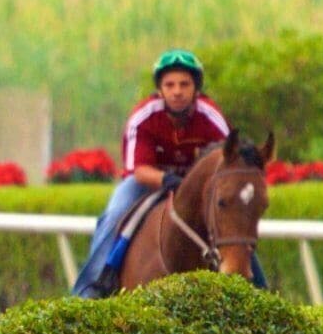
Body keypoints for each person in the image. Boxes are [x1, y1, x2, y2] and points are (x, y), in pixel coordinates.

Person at [74, 50, 237, 298]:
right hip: (148, 181)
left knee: (234, 218)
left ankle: (255, 288)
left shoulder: (211, 116)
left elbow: (229, 161)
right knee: (114, 214)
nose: (177, 91)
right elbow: (139, 170)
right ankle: (90, 289)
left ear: (196, 89)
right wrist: (167, 179)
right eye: (169, 85)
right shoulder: (144, 116)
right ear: (160, 90)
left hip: (196, 185)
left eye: (184, 84)